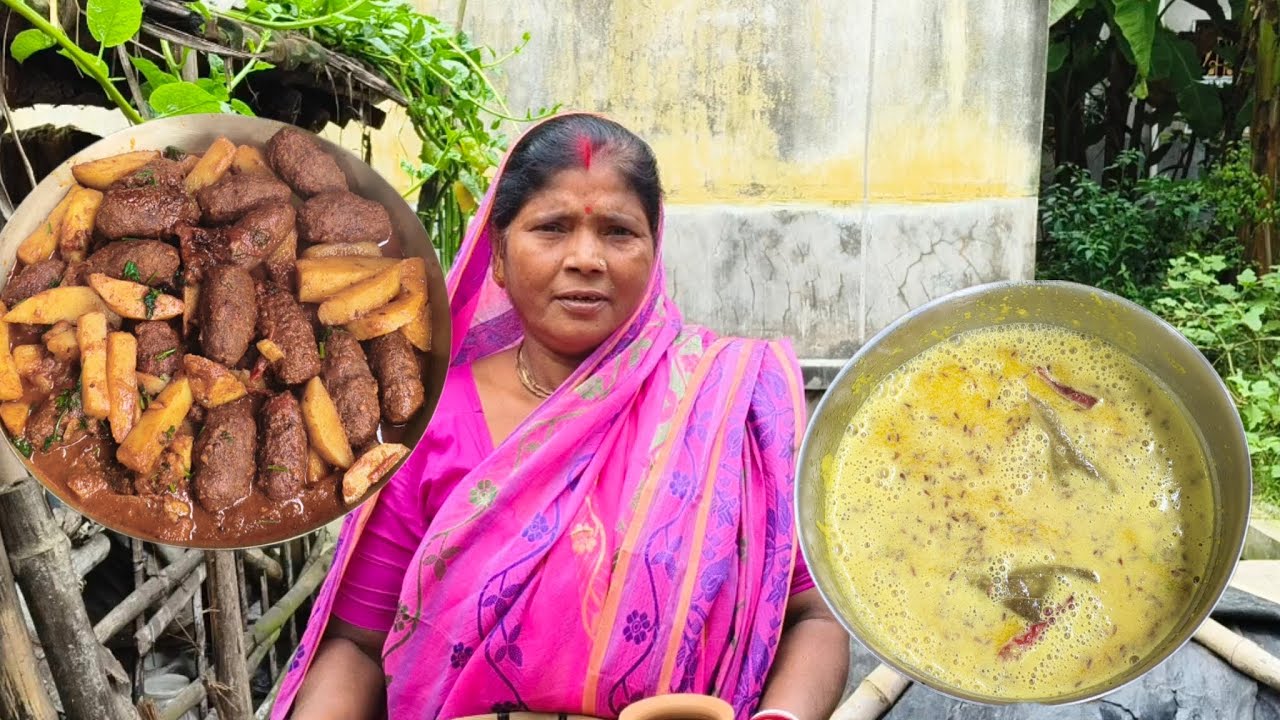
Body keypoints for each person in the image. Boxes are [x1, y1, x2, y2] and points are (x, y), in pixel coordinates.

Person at [272, 112, 850, 720]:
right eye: (552, 228)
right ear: (497, 254)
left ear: (655, 250)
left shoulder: (729, 403)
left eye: (618, 233)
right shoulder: (429, 419)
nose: (586, 258)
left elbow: (813, 615)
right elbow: (357, 645)